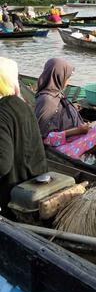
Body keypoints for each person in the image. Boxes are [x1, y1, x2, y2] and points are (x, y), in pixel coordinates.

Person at [34, 58, 96, 160]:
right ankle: (81, 155)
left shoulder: (55, 92)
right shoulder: (47, 100)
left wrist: (72, 109)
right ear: (58, 77)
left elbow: (57, 114)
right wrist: (76, 131)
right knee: (68, 153)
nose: (68, 82)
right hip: (59, 146)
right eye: (67, 78)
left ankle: (82, 152)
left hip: (74, 135)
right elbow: (42, 138)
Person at [0, 57, 47, 211]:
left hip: (12, 196)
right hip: (36, 182)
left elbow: (2, 165)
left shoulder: (1, 113)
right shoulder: (23, 104)